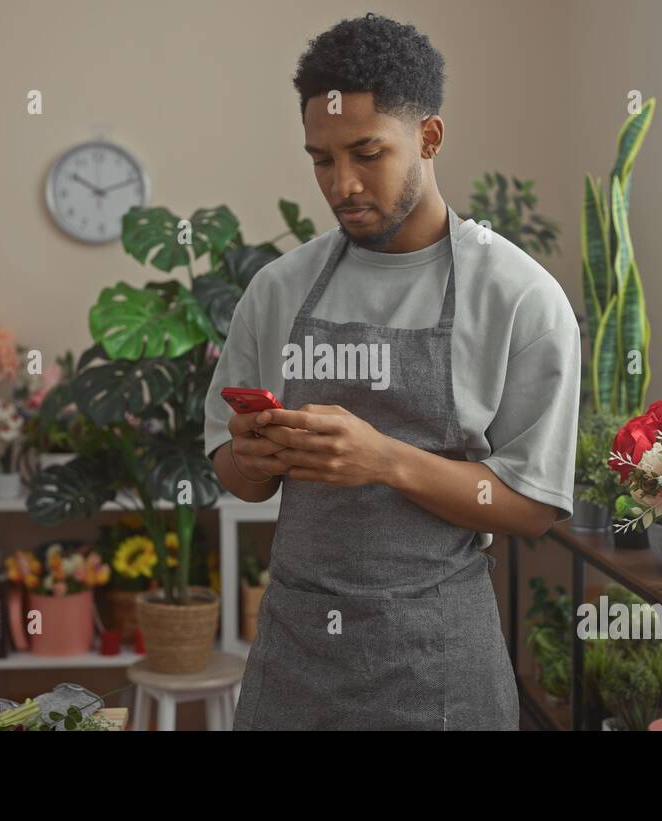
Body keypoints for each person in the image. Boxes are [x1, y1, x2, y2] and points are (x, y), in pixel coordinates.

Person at [203, 13, 581, 730]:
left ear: (429, 137)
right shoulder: (278, 289)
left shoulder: (519, 297)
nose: (342, 184)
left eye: (366, 153)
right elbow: (239, 478)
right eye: (321, 159)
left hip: (440, 660)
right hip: (297, 655)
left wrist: (384, 461)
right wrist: (251, 456)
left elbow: (533, 506)